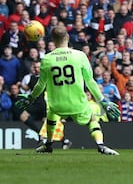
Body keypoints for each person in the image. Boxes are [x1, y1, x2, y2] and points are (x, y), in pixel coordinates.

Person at [15, 26, 120, 155]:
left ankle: (48, 144)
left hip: (57, 104)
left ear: (53, 40)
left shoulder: (47, 59)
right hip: (78, 104)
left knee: (51, 116)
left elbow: (40, 85)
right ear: (68, 37)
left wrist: (30, 98)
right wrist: (104, 101)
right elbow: (90, 82)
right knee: (92, 119)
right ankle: (101, 145)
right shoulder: (80, 56)